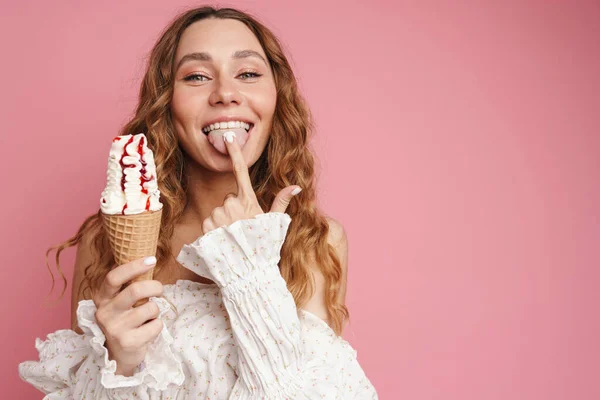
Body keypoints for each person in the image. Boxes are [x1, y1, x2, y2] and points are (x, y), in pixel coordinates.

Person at [19, 6, 377, 399]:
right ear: (167, 103)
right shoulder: (101, 241)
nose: (225, 93)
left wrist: (249, 268)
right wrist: (119, 362)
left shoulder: (315, 241)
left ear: (277, 98)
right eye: (197, 76)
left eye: (248, 74)